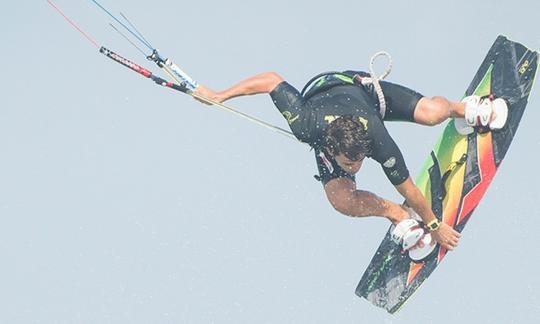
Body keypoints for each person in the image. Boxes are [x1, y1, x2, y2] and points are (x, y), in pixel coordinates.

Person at [193, 69, 507, 252]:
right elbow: (269, 80)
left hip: (359, 92)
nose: (355, 168)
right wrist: (219, 95)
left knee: (432, 114)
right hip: (319, 93)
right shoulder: (306, 124)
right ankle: (397, 216)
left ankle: (463, 109)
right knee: (341, 200)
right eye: (349, 163)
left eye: (359, 161)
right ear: (332, 150)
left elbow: (409, 187)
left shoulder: (377, 139)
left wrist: (434, 224)